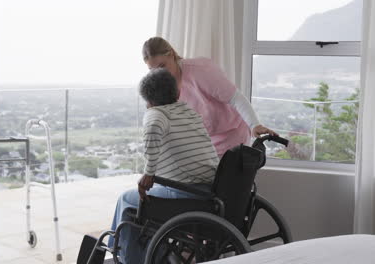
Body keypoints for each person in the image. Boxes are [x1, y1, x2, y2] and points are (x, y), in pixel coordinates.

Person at [108, 68, 219, 264]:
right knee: (139, 205)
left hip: (187, 195)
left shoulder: (156, 114)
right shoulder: (188, 112)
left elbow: (153, 126)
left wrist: (148, 173)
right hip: (210, 191)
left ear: (148, 102)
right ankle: (145, 254)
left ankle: (122, 254)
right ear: (177, 93)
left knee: (127, 200)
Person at [142, 37, 277, 156]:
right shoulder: (162, 83)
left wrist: (254, 124)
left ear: (171, 54)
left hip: (231, 135)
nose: (159, 73)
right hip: (204, 140)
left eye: (162, 66)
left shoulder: (200, 70)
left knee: (221, 181)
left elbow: (235, 98)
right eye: (153, 70)